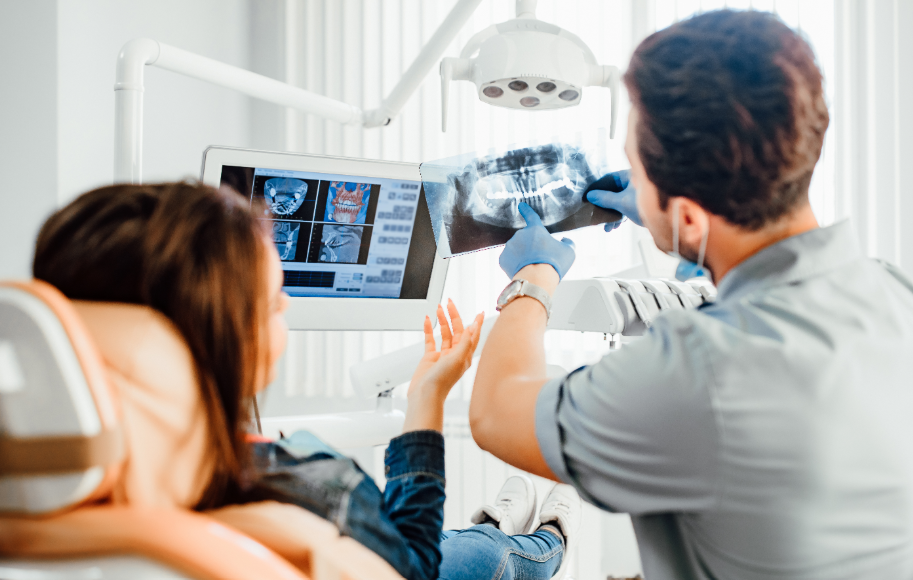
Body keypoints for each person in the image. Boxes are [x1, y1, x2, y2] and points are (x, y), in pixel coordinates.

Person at [469, 10, 913, 580]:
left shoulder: (698, 373)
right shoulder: (893, 292)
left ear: (688, 216)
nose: (632, 178)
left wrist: (534, 279)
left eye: (637, 168)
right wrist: (682, 232)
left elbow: (495, 411)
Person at [31, 181, 581, 580]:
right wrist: (431, 395)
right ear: (224, 340)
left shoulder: (53, 501)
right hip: (409, 554)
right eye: (273, 301)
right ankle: (549, 536)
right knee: (486, 554)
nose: (287, 305)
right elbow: (413, 560)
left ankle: (502, 518)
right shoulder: (310, 500)